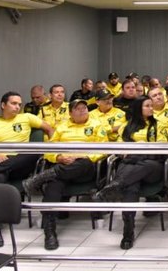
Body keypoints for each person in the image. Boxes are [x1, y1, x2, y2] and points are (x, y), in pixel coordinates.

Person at [0, 91, 54, 246]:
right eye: (14, 103)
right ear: (3, 105)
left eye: (19, 104)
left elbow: (49, 129)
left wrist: (52, 146)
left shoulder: (27, 117)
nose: (17, 107)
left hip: (21, 163)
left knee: (33, 151)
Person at [22, 99, 108, 250]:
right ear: (70, 113)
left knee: (82, 163)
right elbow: (49, 150)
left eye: (84, 108)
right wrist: (59, 157)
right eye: (78, 109)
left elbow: (104, 149)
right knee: (53, 187)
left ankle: (42, 177)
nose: (82, 111)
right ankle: (49, 232)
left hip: (85, 168)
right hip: (64, 166)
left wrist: (83, 156)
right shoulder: (62, 127)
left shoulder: (96, 125)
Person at [93, 97, 167, 249]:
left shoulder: (158, 125)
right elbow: (120, 149)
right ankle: (128, 232)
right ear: (138, 108)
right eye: (147, 106)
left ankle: (114, 185)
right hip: (132, 168)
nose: (151, 108)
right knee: (131, 186)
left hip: (152, 166)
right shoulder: (126, 127)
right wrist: (130, 152)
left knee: (139, 164)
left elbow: (161, 149)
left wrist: (139, 150)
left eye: (151, 105)